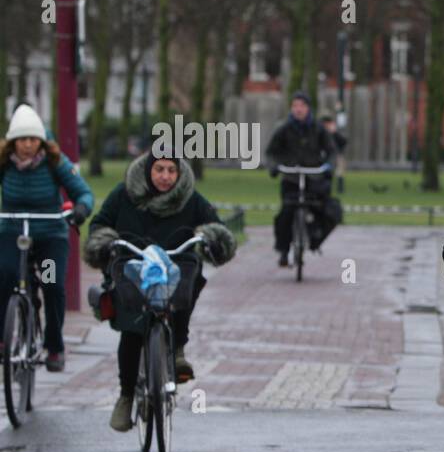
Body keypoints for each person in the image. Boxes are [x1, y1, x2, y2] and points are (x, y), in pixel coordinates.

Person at [83, 150, 237, 432]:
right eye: (159, 170)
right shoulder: (124, 194)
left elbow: (215, 226)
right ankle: (127, 396)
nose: (165, 177)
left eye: (171, 171)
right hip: (134, 267)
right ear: (148, 171)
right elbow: (100, 223)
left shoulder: (190, 198)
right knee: (132, 330)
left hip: (175, 266)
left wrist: (212, 239)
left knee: (185, 286)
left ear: (178, 173)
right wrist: (105, 242)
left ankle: (177, 348)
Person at [0, 104, 94, 373]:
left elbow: (83, 192)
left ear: (41, 140)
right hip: (12, 232)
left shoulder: (55, 161)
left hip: (50, 235)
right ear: (12, 142)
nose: (28, 146)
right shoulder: (4, 162)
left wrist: (80, 210)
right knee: (4, 275)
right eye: (22, 140)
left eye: (33, 140)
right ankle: (2, 339)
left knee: (52, 284)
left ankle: (54, 346)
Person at [267, 91, 337, 266]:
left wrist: (329, 166)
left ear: (308, 108)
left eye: (302, 106)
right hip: (291, 178)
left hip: (313, 178)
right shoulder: (284, 129)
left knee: (327, 211)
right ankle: (283, 251)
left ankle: (314, 240)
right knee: (285, 214)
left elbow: (332, 151)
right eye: (295, 106)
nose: (298, 110)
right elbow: (271, 152)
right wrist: (274, 166)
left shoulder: (318, 128)